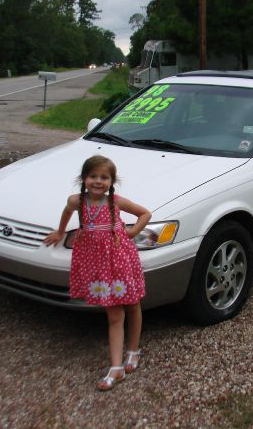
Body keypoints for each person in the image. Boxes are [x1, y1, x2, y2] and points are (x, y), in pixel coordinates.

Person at [43, 155, 151, 391]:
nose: (98, 181)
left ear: (112, 181)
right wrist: (61, 232)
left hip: (120, 259)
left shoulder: (116, 202)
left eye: (104, 177)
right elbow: (66, 213)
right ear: (84, 179)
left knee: (132, 304)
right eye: (93, 176)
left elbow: (145, 214)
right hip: (96, 262)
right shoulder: (76, 201)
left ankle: (132, 351)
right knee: (114, 313)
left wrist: (131, 234)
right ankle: (117, 366)